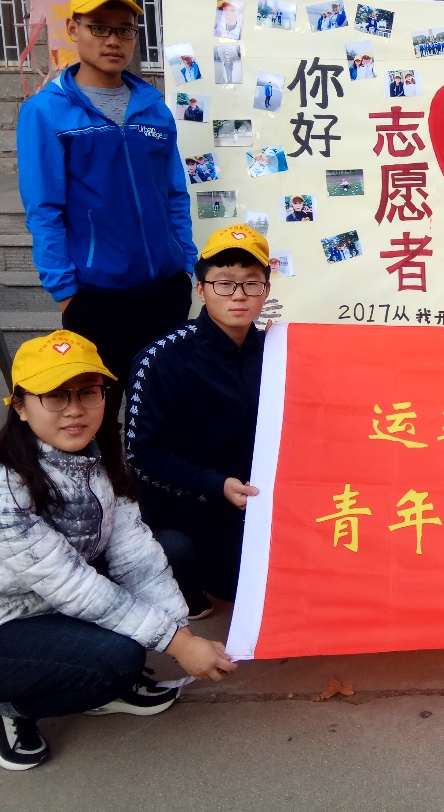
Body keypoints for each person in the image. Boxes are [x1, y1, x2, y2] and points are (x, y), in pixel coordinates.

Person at [0, 331, 235, 771]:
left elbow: (135, 555)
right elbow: (71, 585)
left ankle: (88, 674)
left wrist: (182, 634)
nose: (75, 409)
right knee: (117, 661)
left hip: (43, 607)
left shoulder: (97, 459)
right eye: (55, 396)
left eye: (87, 392)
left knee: (172, 549)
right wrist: (176, 644)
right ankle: (1, 706)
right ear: (20, 406)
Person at [17, 0, 196, 434]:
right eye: (99, 28)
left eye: (124, 30)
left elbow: (174, 193)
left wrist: (185, 262)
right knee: (96, 415)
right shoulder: (46, 112)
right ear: (73, 29)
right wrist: (65, 291)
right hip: (95, 295)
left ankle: (151, 480)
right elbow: (44, 210)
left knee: (163, 409)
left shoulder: (153, 108)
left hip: (164, 290)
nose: (113, 40)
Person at [125, 225, 271, 619]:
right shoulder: (160, 359)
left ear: (265, 291)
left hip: (260, 503)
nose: (238, 295)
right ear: (201, 289)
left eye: (251, 283)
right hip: (193, 507)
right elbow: (143, 457)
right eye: (224, 283)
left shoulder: (277, 353)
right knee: (232, 583)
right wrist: (215, 485)